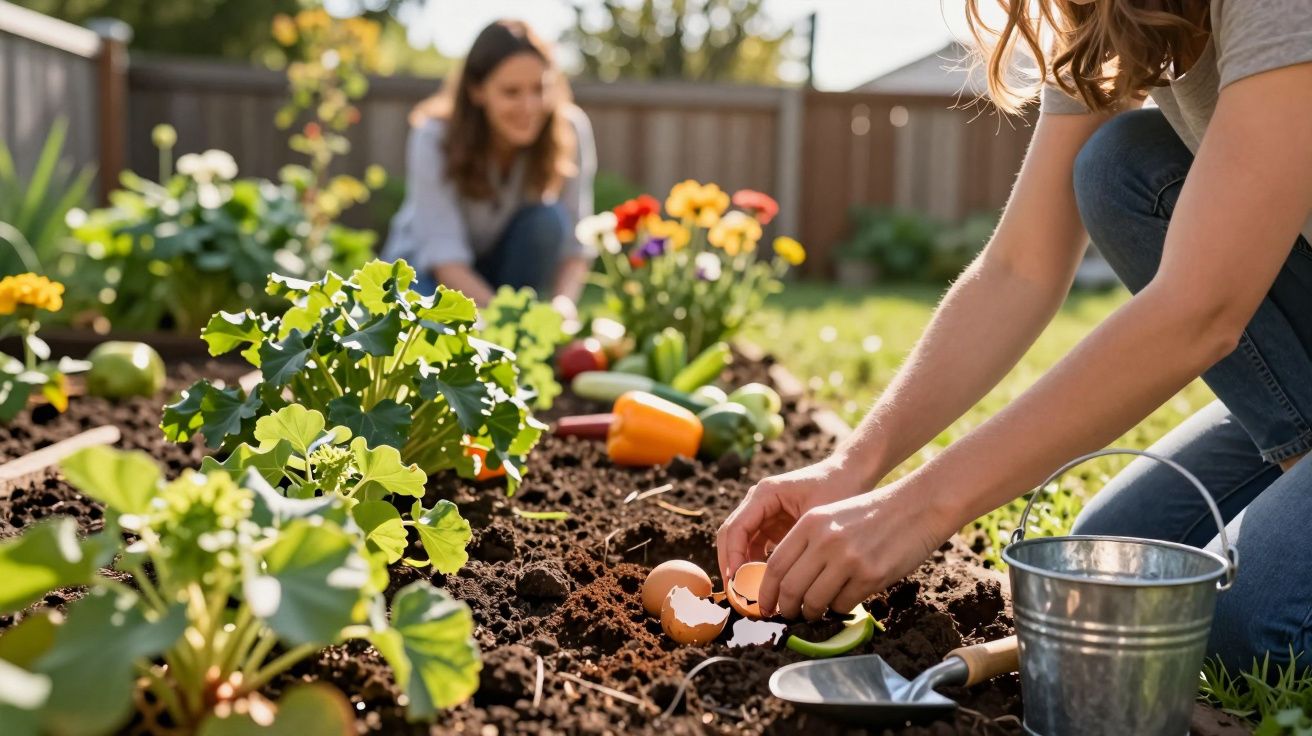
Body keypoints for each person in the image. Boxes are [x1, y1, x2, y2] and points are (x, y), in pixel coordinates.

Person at [718, 0, 1312, 674]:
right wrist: (850, 469)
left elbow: (1201, 308)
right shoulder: (1113, 17)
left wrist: (918, 510)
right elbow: (1017, 269)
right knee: (1108, 555)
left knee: (1250, 625)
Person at [383, 19, 596, 320]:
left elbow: (576, 241)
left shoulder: (570, 129)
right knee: (431, 337)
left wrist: (563, 305)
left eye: (539, 88)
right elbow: (446, 259)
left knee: (548, 221)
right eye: (512, 92)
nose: (530, 106)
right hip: (426, 273)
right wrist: (510, 321)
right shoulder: (433, 136)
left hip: (500, 268)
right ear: (477, 91)